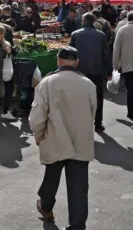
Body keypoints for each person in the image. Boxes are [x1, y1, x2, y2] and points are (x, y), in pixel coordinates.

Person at [31, 46, 95, 230]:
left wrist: (38, 135)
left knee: (52, 175)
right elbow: (92, 113)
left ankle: (46, 207)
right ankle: (77, 226)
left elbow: (37, 115)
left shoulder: (48, 82)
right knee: (79, 186)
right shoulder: (88, 84)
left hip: (55, 136)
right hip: (80, 139)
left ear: (58, 60)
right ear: (77, 62)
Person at [70, 12, 112, 132]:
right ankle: (98, 123)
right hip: (97, 71)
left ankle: (82, 123)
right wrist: (109, 72)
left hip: (80, 71)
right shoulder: (101, 35)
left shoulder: (75, 34)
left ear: (84, 22)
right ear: (93, 22)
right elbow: (106, 55)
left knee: (81, 97)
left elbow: (70, 54)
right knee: (98, 97)